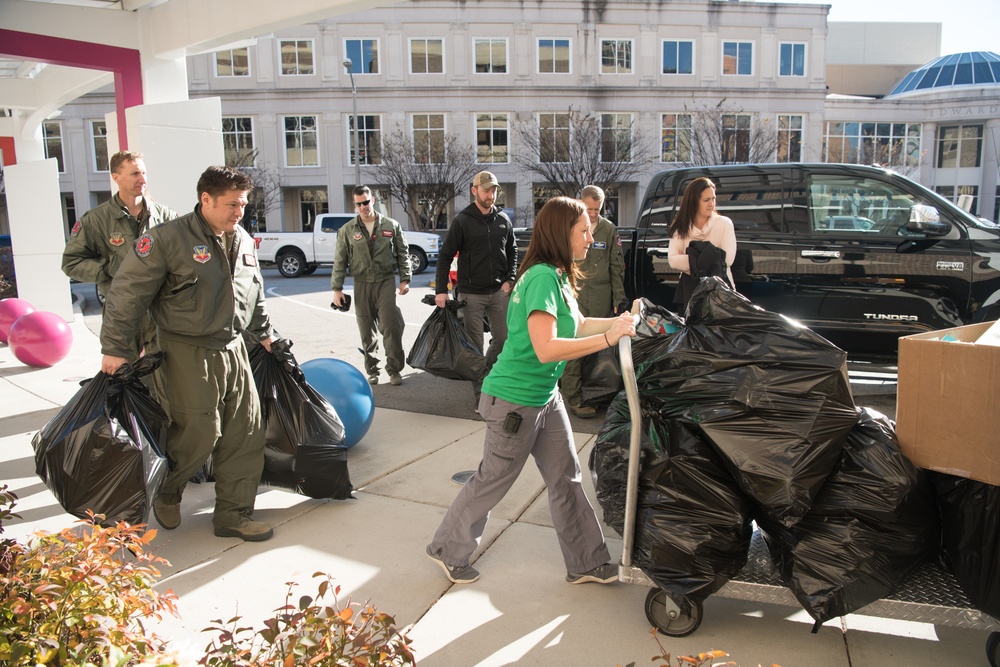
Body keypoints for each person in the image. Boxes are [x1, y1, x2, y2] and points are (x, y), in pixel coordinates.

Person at [426, 196, 637, 585]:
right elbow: (547, 348)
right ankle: (446, 549)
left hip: (543, 396)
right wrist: (610, 337)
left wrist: (622, 320)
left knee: (566, 478)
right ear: (562, 233)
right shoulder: (541, 277)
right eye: (584, 230)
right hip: (514, 401)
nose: (591, 237)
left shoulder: (556, 275)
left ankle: (587, 562)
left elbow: (578, 323)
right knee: (493, 480)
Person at [100, 165, 277, 542]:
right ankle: (168, 489)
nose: (238, 212)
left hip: (233, 347)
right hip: (186, 348)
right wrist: (115, 348)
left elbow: (253, 291)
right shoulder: (166, 240)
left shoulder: (241, 238)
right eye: (231, 204)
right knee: (200, 431)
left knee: (245, 433)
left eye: (243, 204)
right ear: (206, 199)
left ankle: (233, 515)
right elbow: (127, 294)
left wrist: (263, 334)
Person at [62, 151, 179, 365]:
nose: (142, 179)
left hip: (162, 312)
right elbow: (71, 263)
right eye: (135, 173)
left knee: (167, 377)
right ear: (116, 177)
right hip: (121, 314)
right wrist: (109, 268)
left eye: (144, 173)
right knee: (125, 379)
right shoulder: (95, 220)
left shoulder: (166, 216)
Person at [434, 171, 517, 411]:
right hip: (471, 294)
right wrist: (442, 290)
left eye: (493, 191)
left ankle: (488, 375)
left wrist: (510, 279)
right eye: (486, 190)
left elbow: (512, 251)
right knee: (474, 345)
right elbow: (445, 257)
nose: (491, 195)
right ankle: (480, 393)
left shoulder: (503, 219)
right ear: (474, 190)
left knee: (503, 340)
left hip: (499, 292)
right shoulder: (463, 221)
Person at [331, 185, 411, 386]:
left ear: (372, 201)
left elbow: (403, 253)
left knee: (390, 327)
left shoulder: (391, 225)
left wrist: (405, 279)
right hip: (361, 283)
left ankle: (394, 369)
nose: (363, 207)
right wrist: (337, 289)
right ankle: (373, 370)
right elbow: (339, 261)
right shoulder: (347, 230)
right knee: (366, 329)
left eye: (366, 202)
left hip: (385, 281)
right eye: (359, 204)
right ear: (355, 205)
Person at [560, 185, 626, 419]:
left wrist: (619, 298)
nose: (593, 213)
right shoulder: (570, 227)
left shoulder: (608, 230)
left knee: (598, 348)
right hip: (576, 293)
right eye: (589, 208)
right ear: (581, 203)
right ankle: (574, 397)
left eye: (597, 209)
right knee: (573, 346)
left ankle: (595, 393)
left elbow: (616, 266)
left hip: (600, 295)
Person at [667, 177, 737, 308]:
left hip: (720, 291)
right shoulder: (681, 227)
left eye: (713, 199)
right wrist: (711, 255)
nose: (711, 204)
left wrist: (692, 259)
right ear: (694, 202)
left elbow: (727, 259)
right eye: (706, 200)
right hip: (689, 292)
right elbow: (672, 260)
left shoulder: (724, 224)